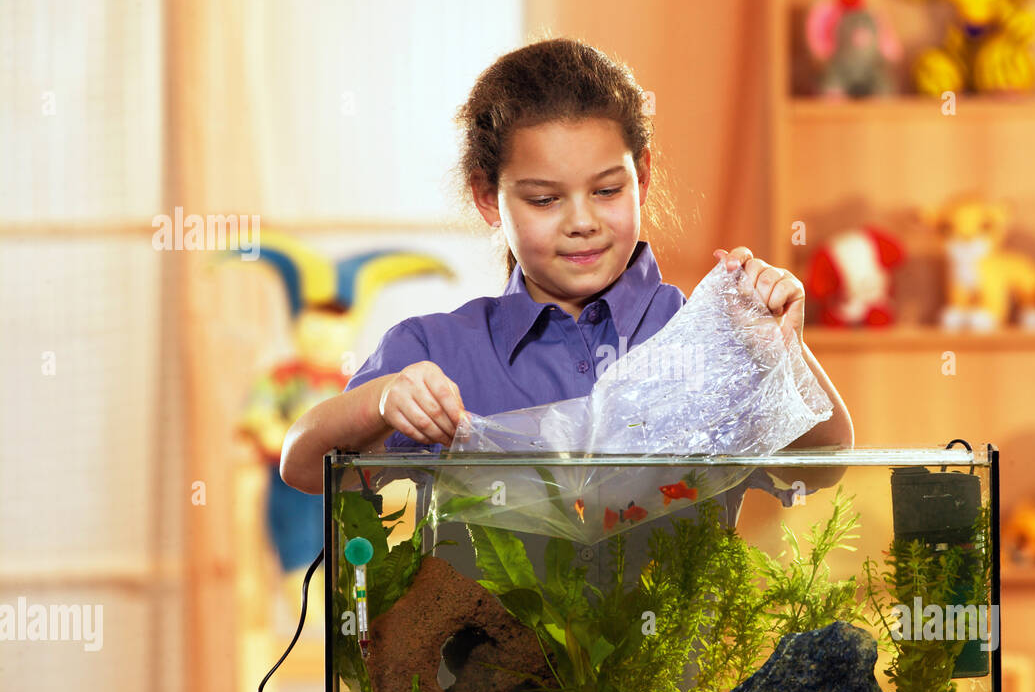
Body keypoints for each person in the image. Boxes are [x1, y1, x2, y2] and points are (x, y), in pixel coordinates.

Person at [280, 37, 853, 498]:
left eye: (606, 190)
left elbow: (825, 464)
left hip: (671, 645)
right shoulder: (440, 352)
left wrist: (778, 350)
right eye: (544, 200)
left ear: (643, 178)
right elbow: (303, 465)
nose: (581, 222)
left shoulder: (698, 335)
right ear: (487, 197)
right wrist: (382, 400)